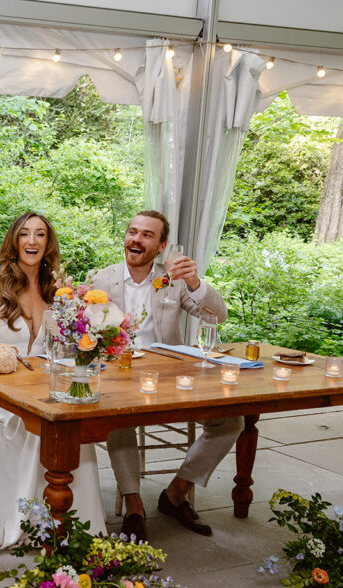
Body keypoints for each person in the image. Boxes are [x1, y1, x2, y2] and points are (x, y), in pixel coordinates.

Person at [0, 212, 107, 551]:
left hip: (48, 392)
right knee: (33, 429)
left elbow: (68, 347)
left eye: (40, 234)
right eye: (25, 234)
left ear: (48, 244)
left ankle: (68, 525)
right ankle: (23, 521)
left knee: (74, 427)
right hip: (1, 398)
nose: (32, 241)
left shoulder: (59, 292)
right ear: (15, 242)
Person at [89, 210, 243, 542]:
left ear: (161, 246)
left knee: (232, 420)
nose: (136, 239)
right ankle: (134, 506)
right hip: (119, 374)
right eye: (132, 232)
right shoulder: (101, 279)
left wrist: (195, 283)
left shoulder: (173, 280)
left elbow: (219, 315)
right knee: (118, 416)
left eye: (147, 235)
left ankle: (176, 492)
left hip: (169, 377)